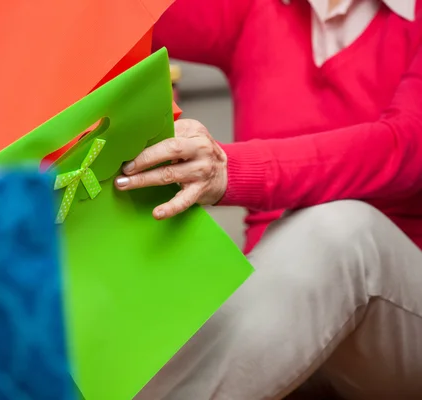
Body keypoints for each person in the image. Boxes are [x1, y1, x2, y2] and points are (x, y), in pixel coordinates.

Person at [114, 0, 422, 399]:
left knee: (343, 231)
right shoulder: (258, 10)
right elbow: (109, 16)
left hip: (402, 316)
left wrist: (229, 169)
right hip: (279, 310)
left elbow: (404, 147)